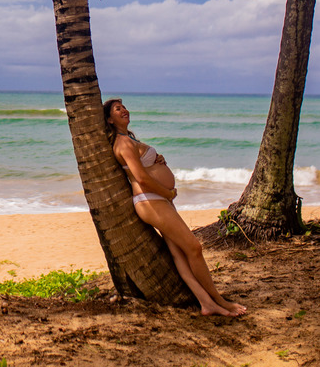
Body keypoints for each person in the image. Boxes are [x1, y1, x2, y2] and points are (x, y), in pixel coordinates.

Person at [104, 97, 247, 317]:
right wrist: (168, 192)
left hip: (157, 200)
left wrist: (156, 159)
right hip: (150, 200)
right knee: (194, 248)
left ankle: (205, 303)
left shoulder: (129, 139)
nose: (124, 110)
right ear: (110, 120)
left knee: (180, 254)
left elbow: (144, 168)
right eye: (117, 109)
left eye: (124, 107)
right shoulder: (123, 143)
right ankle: (219, 300)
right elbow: (141, 178)